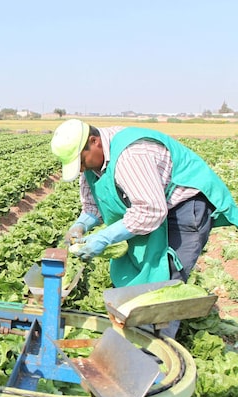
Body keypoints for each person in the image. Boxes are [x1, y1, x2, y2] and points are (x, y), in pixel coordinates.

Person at [51, 119, 238, 332]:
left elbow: (150, 211)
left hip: (183, 207)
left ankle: (158, 350)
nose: (81, 168)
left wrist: (103, 238)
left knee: (165, 282)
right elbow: (94, 206)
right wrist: (81, 225)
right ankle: (138, 330)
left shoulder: (131, 156)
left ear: (95, 142)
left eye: (81, 162)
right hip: (150, 207)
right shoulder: (92, 165)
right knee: (139, 271)